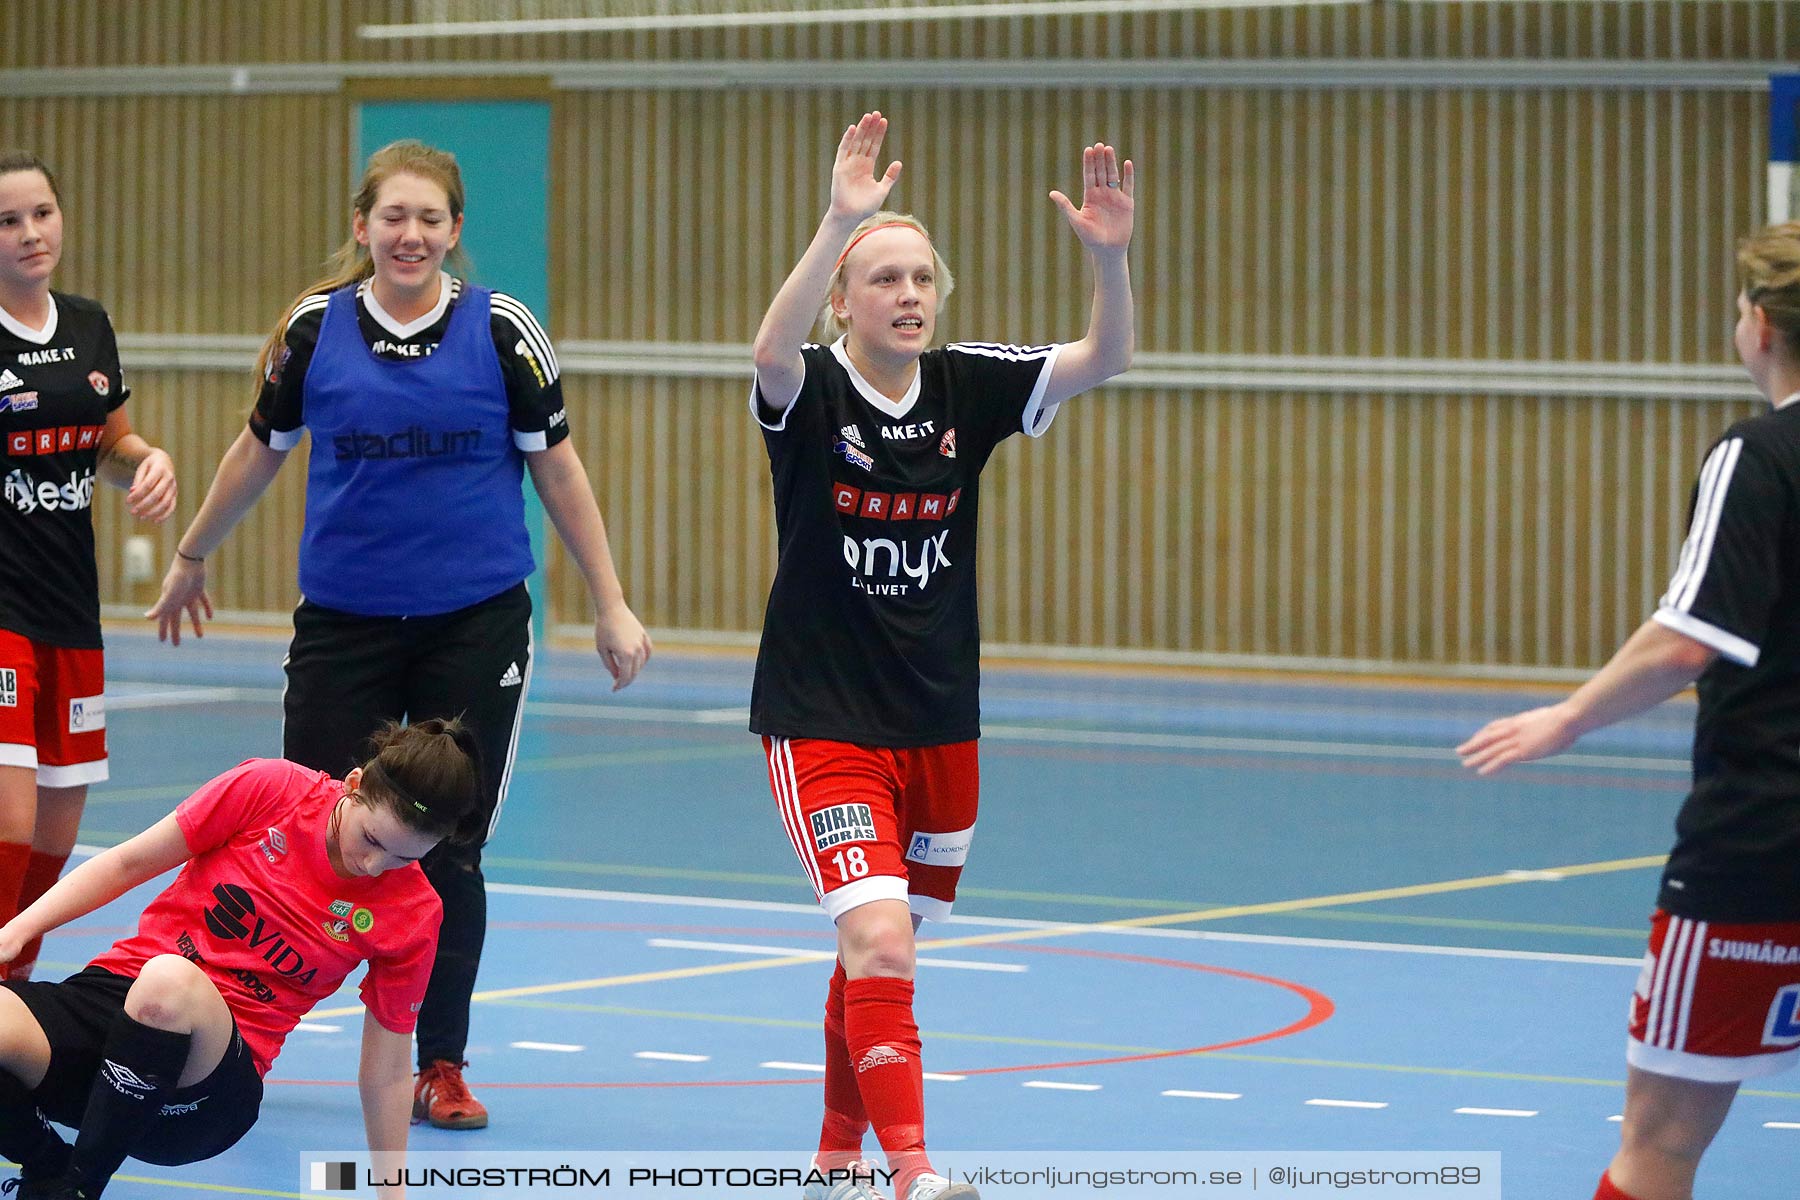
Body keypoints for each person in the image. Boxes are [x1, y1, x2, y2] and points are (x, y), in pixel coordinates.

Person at [144, 139, 651, 1131]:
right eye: (393, 217)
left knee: (446, 846)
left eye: (430, 219)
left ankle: (442, 1064)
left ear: (455, 231)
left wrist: (611, 598)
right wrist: (193, 553)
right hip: (346, 623)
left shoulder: (503, 332)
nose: (410, 234)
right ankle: (221, 1033)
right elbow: (259, 451)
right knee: (293, 836)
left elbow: (558, 469)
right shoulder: (313, 330)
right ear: (363, 226)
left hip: (473, 622)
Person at [748, 113, 1135, 1200]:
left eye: (922, 278)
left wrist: (1108, 262)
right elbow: (769, 354)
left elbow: (1107, 356)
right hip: (821, 714)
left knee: (878, 950)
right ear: (845, 302)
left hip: (940, 722)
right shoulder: (814, 391)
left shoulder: (969, 385)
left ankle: (833, 1159)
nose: (908, 295)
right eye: (884, 279)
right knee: (878, 940)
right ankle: (913, 1174)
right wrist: (839, 221)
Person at [1458, 221, 1800, 1200]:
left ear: (1762, 326)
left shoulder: (1760, 456)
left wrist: (1566, 717)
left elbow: (1691, 637)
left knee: (1658, 1142)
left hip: (1762, 844)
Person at [0, 717, 484, 1200]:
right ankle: (47, 1165)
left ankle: (79, 1189)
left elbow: (387, 1072)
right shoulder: (272, 789)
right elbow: (129, 862)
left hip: (208, 1089)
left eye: (404, 858)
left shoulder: (415, 913)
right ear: (353, 786)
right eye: (373, 840)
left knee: (167, 984)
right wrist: (17, 930)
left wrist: (391, 1196)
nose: (374, 867)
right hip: (113, 1003)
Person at [0, 152, 178, 983]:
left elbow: (109, 442)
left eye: (42, 213)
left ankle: (15, 990)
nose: (31, 233)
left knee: (56, 834)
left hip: (72, 603)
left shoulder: (86, 325)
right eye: (8, 221)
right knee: (10, 814)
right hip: (2, 607)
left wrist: (145, 459)